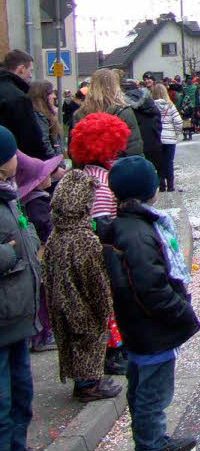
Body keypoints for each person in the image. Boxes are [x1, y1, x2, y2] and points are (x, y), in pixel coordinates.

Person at [100, 157, 200, 451]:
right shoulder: (138, 233)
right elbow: (151, 287)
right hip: (151, 330)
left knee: (147, 393)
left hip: (141, 328)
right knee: (152, 397)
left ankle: (156, 442)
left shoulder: (129, 226)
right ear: (147, 191)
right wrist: (182, 312)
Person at [0, 125, 57, 451]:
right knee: (1, 401)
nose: (16, 159)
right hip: (2, 317)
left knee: (21, 393)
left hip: (17, 314)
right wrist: (11, 252)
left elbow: (22, 232)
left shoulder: (8, 195)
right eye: (11, 153)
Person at [43, 170, 123, 403]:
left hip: (61, 300)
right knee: (89, 341)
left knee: (73, 341)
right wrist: (105, 307)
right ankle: (88, 384)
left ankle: (85, 381)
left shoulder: (56, 235)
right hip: (82, 304)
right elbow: (95, 280)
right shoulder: (84, 239)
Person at [69, 112, 132, 378]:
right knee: (108, 306)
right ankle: (112, 355)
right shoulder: (103, 182)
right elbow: (102, 222)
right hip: (103, 253)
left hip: (95, 251)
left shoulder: (86, 174)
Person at [16, 151, 62, 355]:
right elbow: (45, 227)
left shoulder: (33, 201)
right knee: (44, 298)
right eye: (45, 175)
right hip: (42, 256)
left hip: (39, 255)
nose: (49, 176)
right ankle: (43, 335)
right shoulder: (38, 204)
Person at [74, 69, 143, 157]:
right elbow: (134, 148)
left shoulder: (80, 114)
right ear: (115, 87)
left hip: (89, 168)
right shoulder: (124, 112)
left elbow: (75, 150)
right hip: (118, 167)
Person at [0, 50, 48, 160]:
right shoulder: (18, 98)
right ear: (21, 69)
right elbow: (31, 139)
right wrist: (49, 167)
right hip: (13, 163)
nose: (31, 75)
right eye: (30, 70)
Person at [123, 81, 163, 178]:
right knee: (154, 166)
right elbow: (158, 119)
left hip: (136, 143)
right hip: (153, 139)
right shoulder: (149, 101)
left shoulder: (125, 106)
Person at [151, 84, 182, 192]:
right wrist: (176, 134)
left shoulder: (151, 107)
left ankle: (161, 185)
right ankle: (170, 185)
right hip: (169, 139)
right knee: (169, 162)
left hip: (157, 139)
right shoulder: (170, 105)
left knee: (159, 162)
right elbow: (178, 121)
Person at [27, 82, 63, 160]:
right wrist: (55, 165)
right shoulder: (38, 115)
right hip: (49, 165)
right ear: (43, 96)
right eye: (51, 93)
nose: (54, 96)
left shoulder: (45, 113)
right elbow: (44, 143)